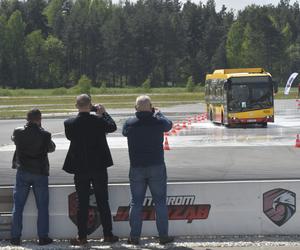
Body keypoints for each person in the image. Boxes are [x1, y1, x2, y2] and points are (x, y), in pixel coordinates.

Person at [63, 94, 118, 246]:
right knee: (102, 201)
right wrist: (103, 113)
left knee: (82, 203)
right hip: (99, 166)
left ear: (76, 106)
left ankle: (82, 236)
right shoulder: (99, 121)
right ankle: (108, 234)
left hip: (80, 167)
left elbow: (70, 137)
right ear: (90, 105)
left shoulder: (69, 123)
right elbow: (112, 127)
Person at [122, 95, 174, 245]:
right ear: (151, 107)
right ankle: (163, 236)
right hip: (156, 165)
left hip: (137, 167)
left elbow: (124, 132)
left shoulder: (130, 123)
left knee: (136, 203)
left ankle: (134, 236)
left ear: (135, 108)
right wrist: (158, 113)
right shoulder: (158, 121)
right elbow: (169, 125)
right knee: (160, 202)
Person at [10, 108, 56, 246]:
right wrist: (41, 130)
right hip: (40, 172)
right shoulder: (45, 134)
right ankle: (42, 237)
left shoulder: (18, 132)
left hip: (23, 171)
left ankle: (15, 237)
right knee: (42, 206)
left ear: (27, 118)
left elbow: (14, 139)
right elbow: (52, 148)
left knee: (18, 206)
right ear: (39, 119)